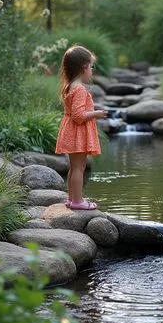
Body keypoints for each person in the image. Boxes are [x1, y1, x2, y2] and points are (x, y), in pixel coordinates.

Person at [55, 45, 107, 210]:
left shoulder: (70, 85)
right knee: (79, 168)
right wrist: (96, 113)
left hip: (72, 132)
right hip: (77, 134)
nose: (92, 70)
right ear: (83, 68)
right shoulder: (80, 90)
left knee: (74, 167)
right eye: (91, 67)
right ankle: (78, 201)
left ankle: (72, 199)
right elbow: (78, 116)